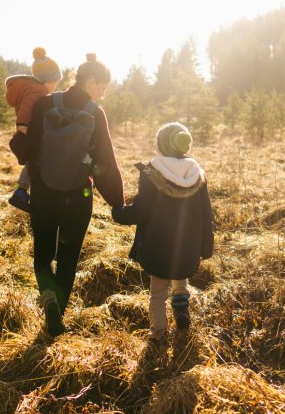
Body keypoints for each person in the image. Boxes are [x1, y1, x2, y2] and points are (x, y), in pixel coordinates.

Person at [15, 53, 124, 337]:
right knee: (68, 258)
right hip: (79, 196)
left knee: (42, 253)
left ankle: (48, 301)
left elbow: (29, 148)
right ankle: (57, 315)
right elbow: (104, 164)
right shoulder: (95, 113)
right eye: (103, 86)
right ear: (90, 81)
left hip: (44, 193)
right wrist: (118, 202)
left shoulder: (45, 104)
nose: (104, 92)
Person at [112, 122, 214, 341]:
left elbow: (141, 210)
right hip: (187, 245)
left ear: (161, 144)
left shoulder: (152, 172)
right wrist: (206, 247)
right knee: (180, 278)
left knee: (157, 294)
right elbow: (206, 214)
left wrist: (120, 213)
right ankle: (181, 310)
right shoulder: (196, 174)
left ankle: (158, 334)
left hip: (158, 244)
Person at [4, 47, 62, 212]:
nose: (55, 85)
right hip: (29, 131)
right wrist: (22, 124)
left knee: (33, 161)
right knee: (34, 161)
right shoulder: (37, 90)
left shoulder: (35, 88)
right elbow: (28, 106)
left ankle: (21, 191)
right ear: (47, 80)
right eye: (55, 82)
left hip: (30, 130)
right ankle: (21, 192)